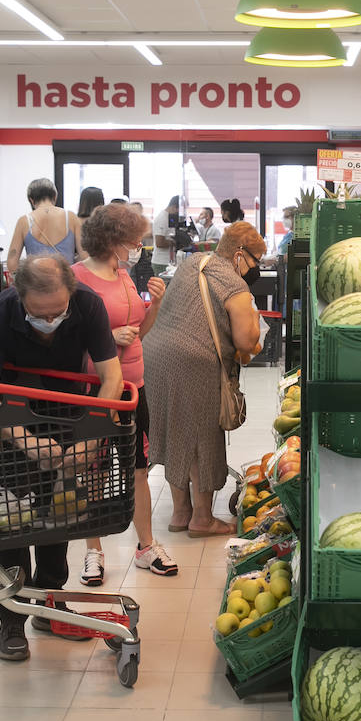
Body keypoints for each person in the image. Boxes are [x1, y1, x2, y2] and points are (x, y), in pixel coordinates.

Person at [0, 255, 122, 662]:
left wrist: (91, 437)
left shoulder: (87, 305)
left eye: (58, 312)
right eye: (39, 315)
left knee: (58, 518)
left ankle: (49, 606)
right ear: (20, 297)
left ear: (70, 293)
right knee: (13, 525)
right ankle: (12, 619)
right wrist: (25, 441)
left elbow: (112, 379)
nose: (50, 320)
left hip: (66, 418)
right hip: (13, 421)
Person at [72, 204, 176, 582]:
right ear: (110, 240)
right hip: (96, 388)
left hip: (135, 387)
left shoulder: (125, 276)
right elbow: (68, 345)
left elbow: (139, 333)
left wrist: (157, 304)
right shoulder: (77, 280)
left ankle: (146, 545)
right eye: (131, 240)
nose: (137, 247)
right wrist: (106, 339)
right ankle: (93, 552)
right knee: (92, 469)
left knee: (138, 469)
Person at [144, 221, 265, 536]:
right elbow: (244, 341)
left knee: (175, 431)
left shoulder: (191, 263)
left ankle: (180, 514)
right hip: (194, 363)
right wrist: (256, 330)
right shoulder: (234, 284)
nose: (256, 269)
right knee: (201, 437)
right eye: (255, 261)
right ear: (239, 255)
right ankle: (202, 519)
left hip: (155, 356)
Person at [6, 178, 83, 280]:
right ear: (55, 196)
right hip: (66, 284)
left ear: (31, 200)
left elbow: (12, 262)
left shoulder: (24, 221)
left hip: (37, 285)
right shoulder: (71, 217)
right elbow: (84, 255)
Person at [151, 194, 181, 274]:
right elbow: (159, 243)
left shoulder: (170, 217)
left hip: (169, 262)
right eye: (179, 210)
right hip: (161, 263)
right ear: (174, 207)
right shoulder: (162, 218)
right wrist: (176, 242)